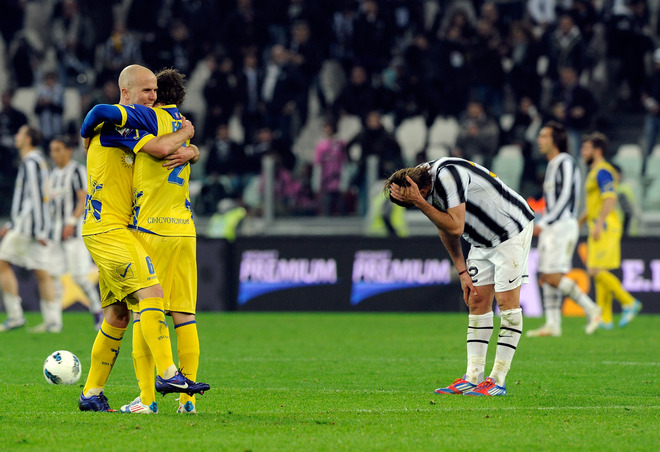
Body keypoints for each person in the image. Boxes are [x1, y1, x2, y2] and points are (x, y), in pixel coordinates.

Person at [77, 64, 209, 412]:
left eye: (155, 90)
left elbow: (162, 148)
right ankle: (167, 373)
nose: (151, 97)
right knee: (152, 295)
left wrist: (192, 148)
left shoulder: (133, 128)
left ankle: (91, 394)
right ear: (126, 93)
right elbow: (101, 113)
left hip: (117, 228)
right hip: (110, 229)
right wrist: (188, 135)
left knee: (118, 315)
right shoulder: (114, 123)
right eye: (145, 91)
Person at [385, 157, 535, 396]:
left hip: (510, 231)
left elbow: (455, 226)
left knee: (507, 306)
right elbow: (444, 226)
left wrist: (420, 203)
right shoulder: (424, 183)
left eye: (413, 201)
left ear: (419, 190)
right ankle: (473, 377)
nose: (415, 205)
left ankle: (497, 379)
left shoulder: (447, 175)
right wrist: (462, 271)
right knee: (477, 301)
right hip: (481, 240)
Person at [526, 121, 601, 337]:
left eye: (544, 136)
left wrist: (544, 222)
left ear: (555, 139)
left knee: (551, 276)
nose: (539, 140)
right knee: (546, 274)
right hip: (554, 224)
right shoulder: (551, 164)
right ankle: (552, 324)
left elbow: (566, 196)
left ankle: (591, 308)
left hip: (562, 224)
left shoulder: (565, 162)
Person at [579, 132, 642, 329]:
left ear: (597, 151)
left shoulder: (603, 171)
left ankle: (629, 302)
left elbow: (610, 198)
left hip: (604, 226)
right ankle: (605, 317)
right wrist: (579, 221)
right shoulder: (594, 172)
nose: (582, 152)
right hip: (598, 225)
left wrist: (598, 224)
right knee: (598, 270)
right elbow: (595, 203)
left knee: (595, 270)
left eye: (587, 148)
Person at [0, 125, 56, 332]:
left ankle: (14, 316)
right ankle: (52, 321)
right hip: (32, 226)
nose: (16, 136)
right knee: (42, 272)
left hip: (29, 228)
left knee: (2, 263)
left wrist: (40, 230)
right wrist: (11, 223)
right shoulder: (38, 160)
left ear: (29, 139)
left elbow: (37, 197)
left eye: (20, 133)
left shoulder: (31, 162)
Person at [46, 135, 103, 331]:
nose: (55, 154)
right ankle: (54, 322)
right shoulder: (53, 175)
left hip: (74, 233)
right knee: (53, 276)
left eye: (58, 149)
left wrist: (71, 221)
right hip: (55, 234)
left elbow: (83, 198)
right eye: (52, 150)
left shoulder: (77, 171)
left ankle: (97, 311)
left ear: (68, 150)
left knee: (79, 276)